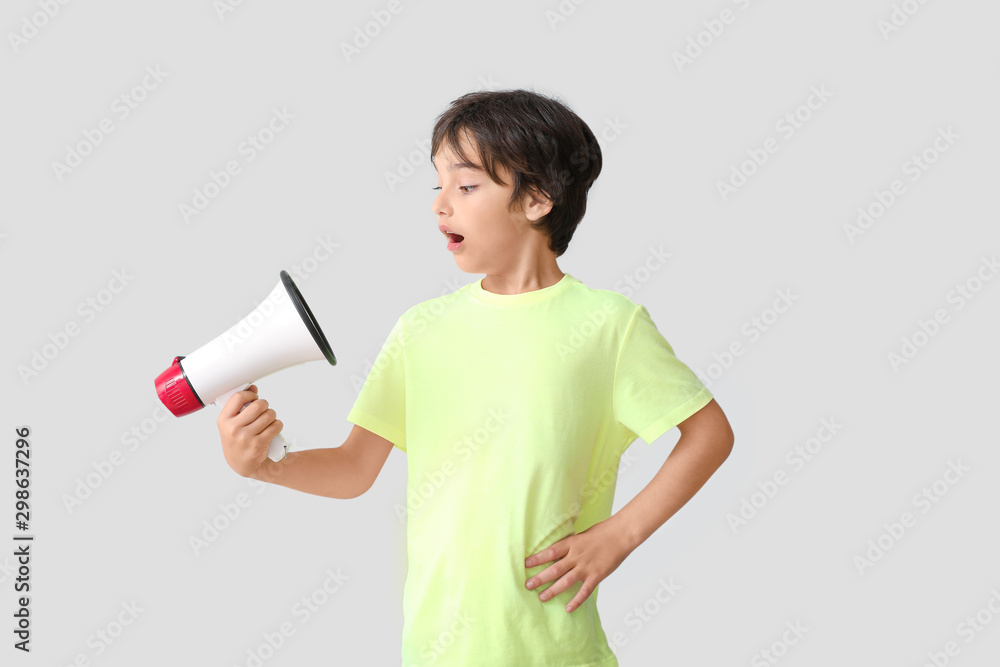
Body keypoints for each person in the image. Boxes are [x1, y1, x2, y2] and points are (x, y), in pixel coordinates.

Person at [218, 88, 735, 666]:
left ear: (537, 198)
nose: (441, 205)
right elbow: (354, 469)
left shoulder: (608, 327)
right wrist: (265, 464)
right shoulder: (421, 331)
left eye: (465, 187)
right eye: (436, 186)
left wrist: (617, 536)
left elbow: (710, 434)